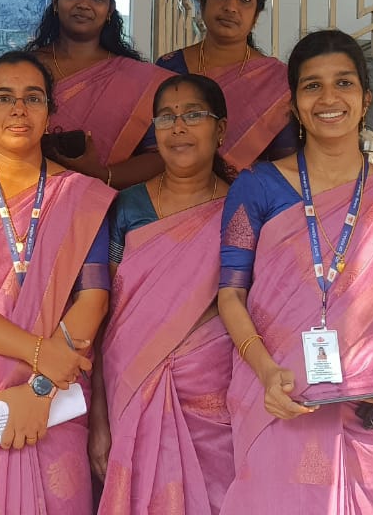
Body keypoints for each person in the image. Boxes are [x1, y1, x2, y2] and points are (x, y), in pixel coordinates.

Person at [216, 29, 373, 514]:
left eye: (343, 83)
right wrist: (266, 373)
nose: (329, 98)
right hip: (276, 393)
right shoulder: (257, 187)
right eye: (312, 85)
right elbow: (230, 294)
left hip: (369, 402)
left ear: (366, 99)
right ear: (294, 104)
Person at [0, 51, 116, 515]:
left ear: (49, 113)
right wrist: (38, 354)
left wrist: (40, 388)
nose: (18, 109)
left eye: (32, 98)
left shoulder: (79, 194)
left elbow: (93, 297)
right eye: (3, 98)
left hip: (57, 393)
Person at [91, 74, 235, 515]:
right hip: (131, 387)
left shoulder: (243, 208)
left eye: (193, 114)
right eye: (166, 118)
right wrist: (99, 418)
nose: (178, 127)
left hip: (218, 400)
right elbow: (104, 317)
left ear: (220, 129)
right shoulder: (127, 207)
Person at [26, 0, 172, 190]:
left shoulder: (137, 79)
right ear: (55, 1)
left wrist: (104, 175)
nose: (84, 4)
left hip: (105, 202)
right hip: (25, 195)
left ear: (110, 10)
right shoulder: (24, 68)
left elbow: (162, 154)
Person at [155, 0, 295, 172]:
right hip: (173, 187)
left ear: (256, 15)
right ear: (203, 2)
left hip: (250, 190)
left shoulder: (277, 82)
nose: (231, 7)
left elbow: (286, 162)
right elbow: (152, 148)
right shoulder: (169, 67)